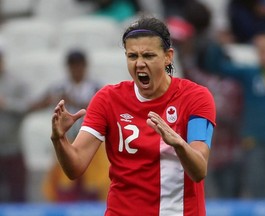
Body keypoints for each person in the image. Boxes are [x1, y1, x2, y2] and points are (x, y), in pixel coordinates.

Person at [50, 17, 216, 215]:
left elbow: (199, 171)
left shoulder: (196, 97)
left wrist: (179, 144)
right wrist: (59, 139)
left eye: (148, 56)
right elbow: (74, 168)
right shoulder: (107, 99)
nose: (139, 64)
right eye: (132, 56)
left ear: (168, 57)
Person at [204, 33, 265, 198]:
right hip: (255, 139)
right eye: (261, 51)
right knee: (257, 187)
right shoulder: (250, 73)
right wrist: (218, 46)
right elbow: (217, 67)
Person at [31, 50, 108, 202]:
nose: (76, 70)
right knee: (64, 182)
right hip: (67, 139)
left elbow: (104, 108)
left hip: (91, 142)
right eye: (73, 66)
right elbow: (36, 104)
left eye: (79, 66)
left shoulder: (95, 87)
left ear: (85, 67)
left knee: (95, 183)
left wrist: (72, 101)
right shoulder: (59, 87)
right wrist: (51, 101)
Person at [0, 50, 30, 202]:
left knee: (17, 194)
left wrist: (6, 104)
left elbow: (27, 106)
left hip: (13, 149)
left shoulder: (15, 82)